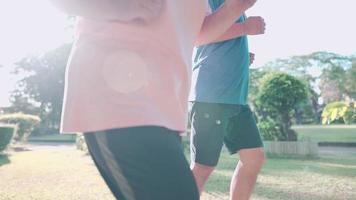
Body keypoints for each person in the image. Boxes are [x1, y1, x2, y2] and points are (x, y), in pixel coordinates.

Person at [51, 0, 259, 199]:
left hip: (165, 110)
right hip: (116, 102)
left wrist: (236, 6)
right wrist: (123, 6)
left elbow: (199, 33)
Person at [189, 0, 266, 199]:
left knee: (254, 158)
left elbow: (218, 42)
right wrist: (244, 28)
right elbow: (198, 35)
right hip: (211, 97)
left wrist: (240, 56)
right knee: (202, 166)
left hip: (235, 98)